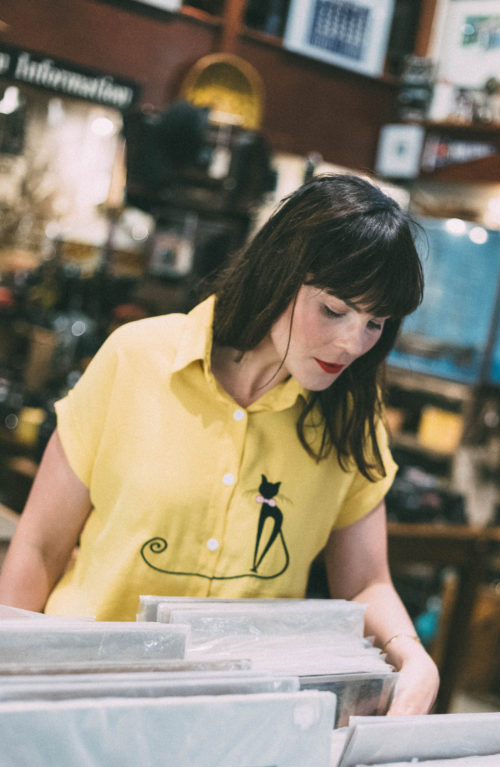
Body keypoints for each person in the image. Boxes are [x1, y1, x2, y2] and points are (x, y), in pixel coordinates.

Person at [0, 174, 439, 714]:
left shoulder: (351, 416)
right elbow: (40, 547)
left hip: (236, 717)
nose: (353, 342)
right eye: (334, 310)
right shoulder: (136, 358)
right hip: (80, 699)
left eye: (376, 323)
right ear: (280, 271)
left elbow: (366, 582)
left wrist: (411, 655)